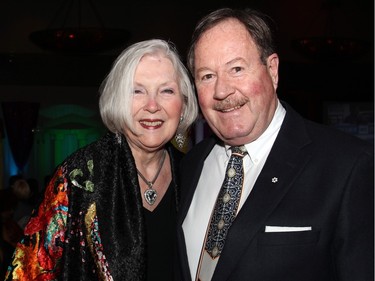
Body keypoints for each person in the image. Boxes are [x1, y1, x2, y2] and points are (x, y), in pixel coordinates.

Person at [176, 7, 374, 281]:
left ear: (272, 70)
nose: (222, 91)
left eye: (236, 68)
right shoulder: (190, 165)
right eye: (207, 76)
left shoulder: (349, 166)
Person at [5, 38, 198, 281]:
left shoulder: (194, 171)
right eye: (137, 90)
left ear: (183, 103)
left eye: (166, 90)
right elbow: (26, 273)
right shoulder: (78, 177)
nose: (152, 105)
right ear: (117, 101)